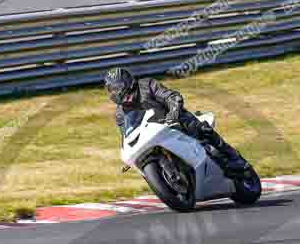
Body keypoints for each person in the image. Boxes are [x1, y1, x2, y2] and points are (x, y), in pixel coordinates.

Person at [104, 67, 250, 176]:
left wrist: (173, 111)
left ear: (127, 82)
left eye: (116, 88)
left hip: (174, 121)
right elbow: (126, 135)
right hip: (152, 136)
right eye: (111, 89)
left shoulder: (146, 86)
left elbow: (170, 96)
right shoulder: (120, 114)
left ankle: (234, 158)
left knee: (201, 129)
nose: (114, 92)